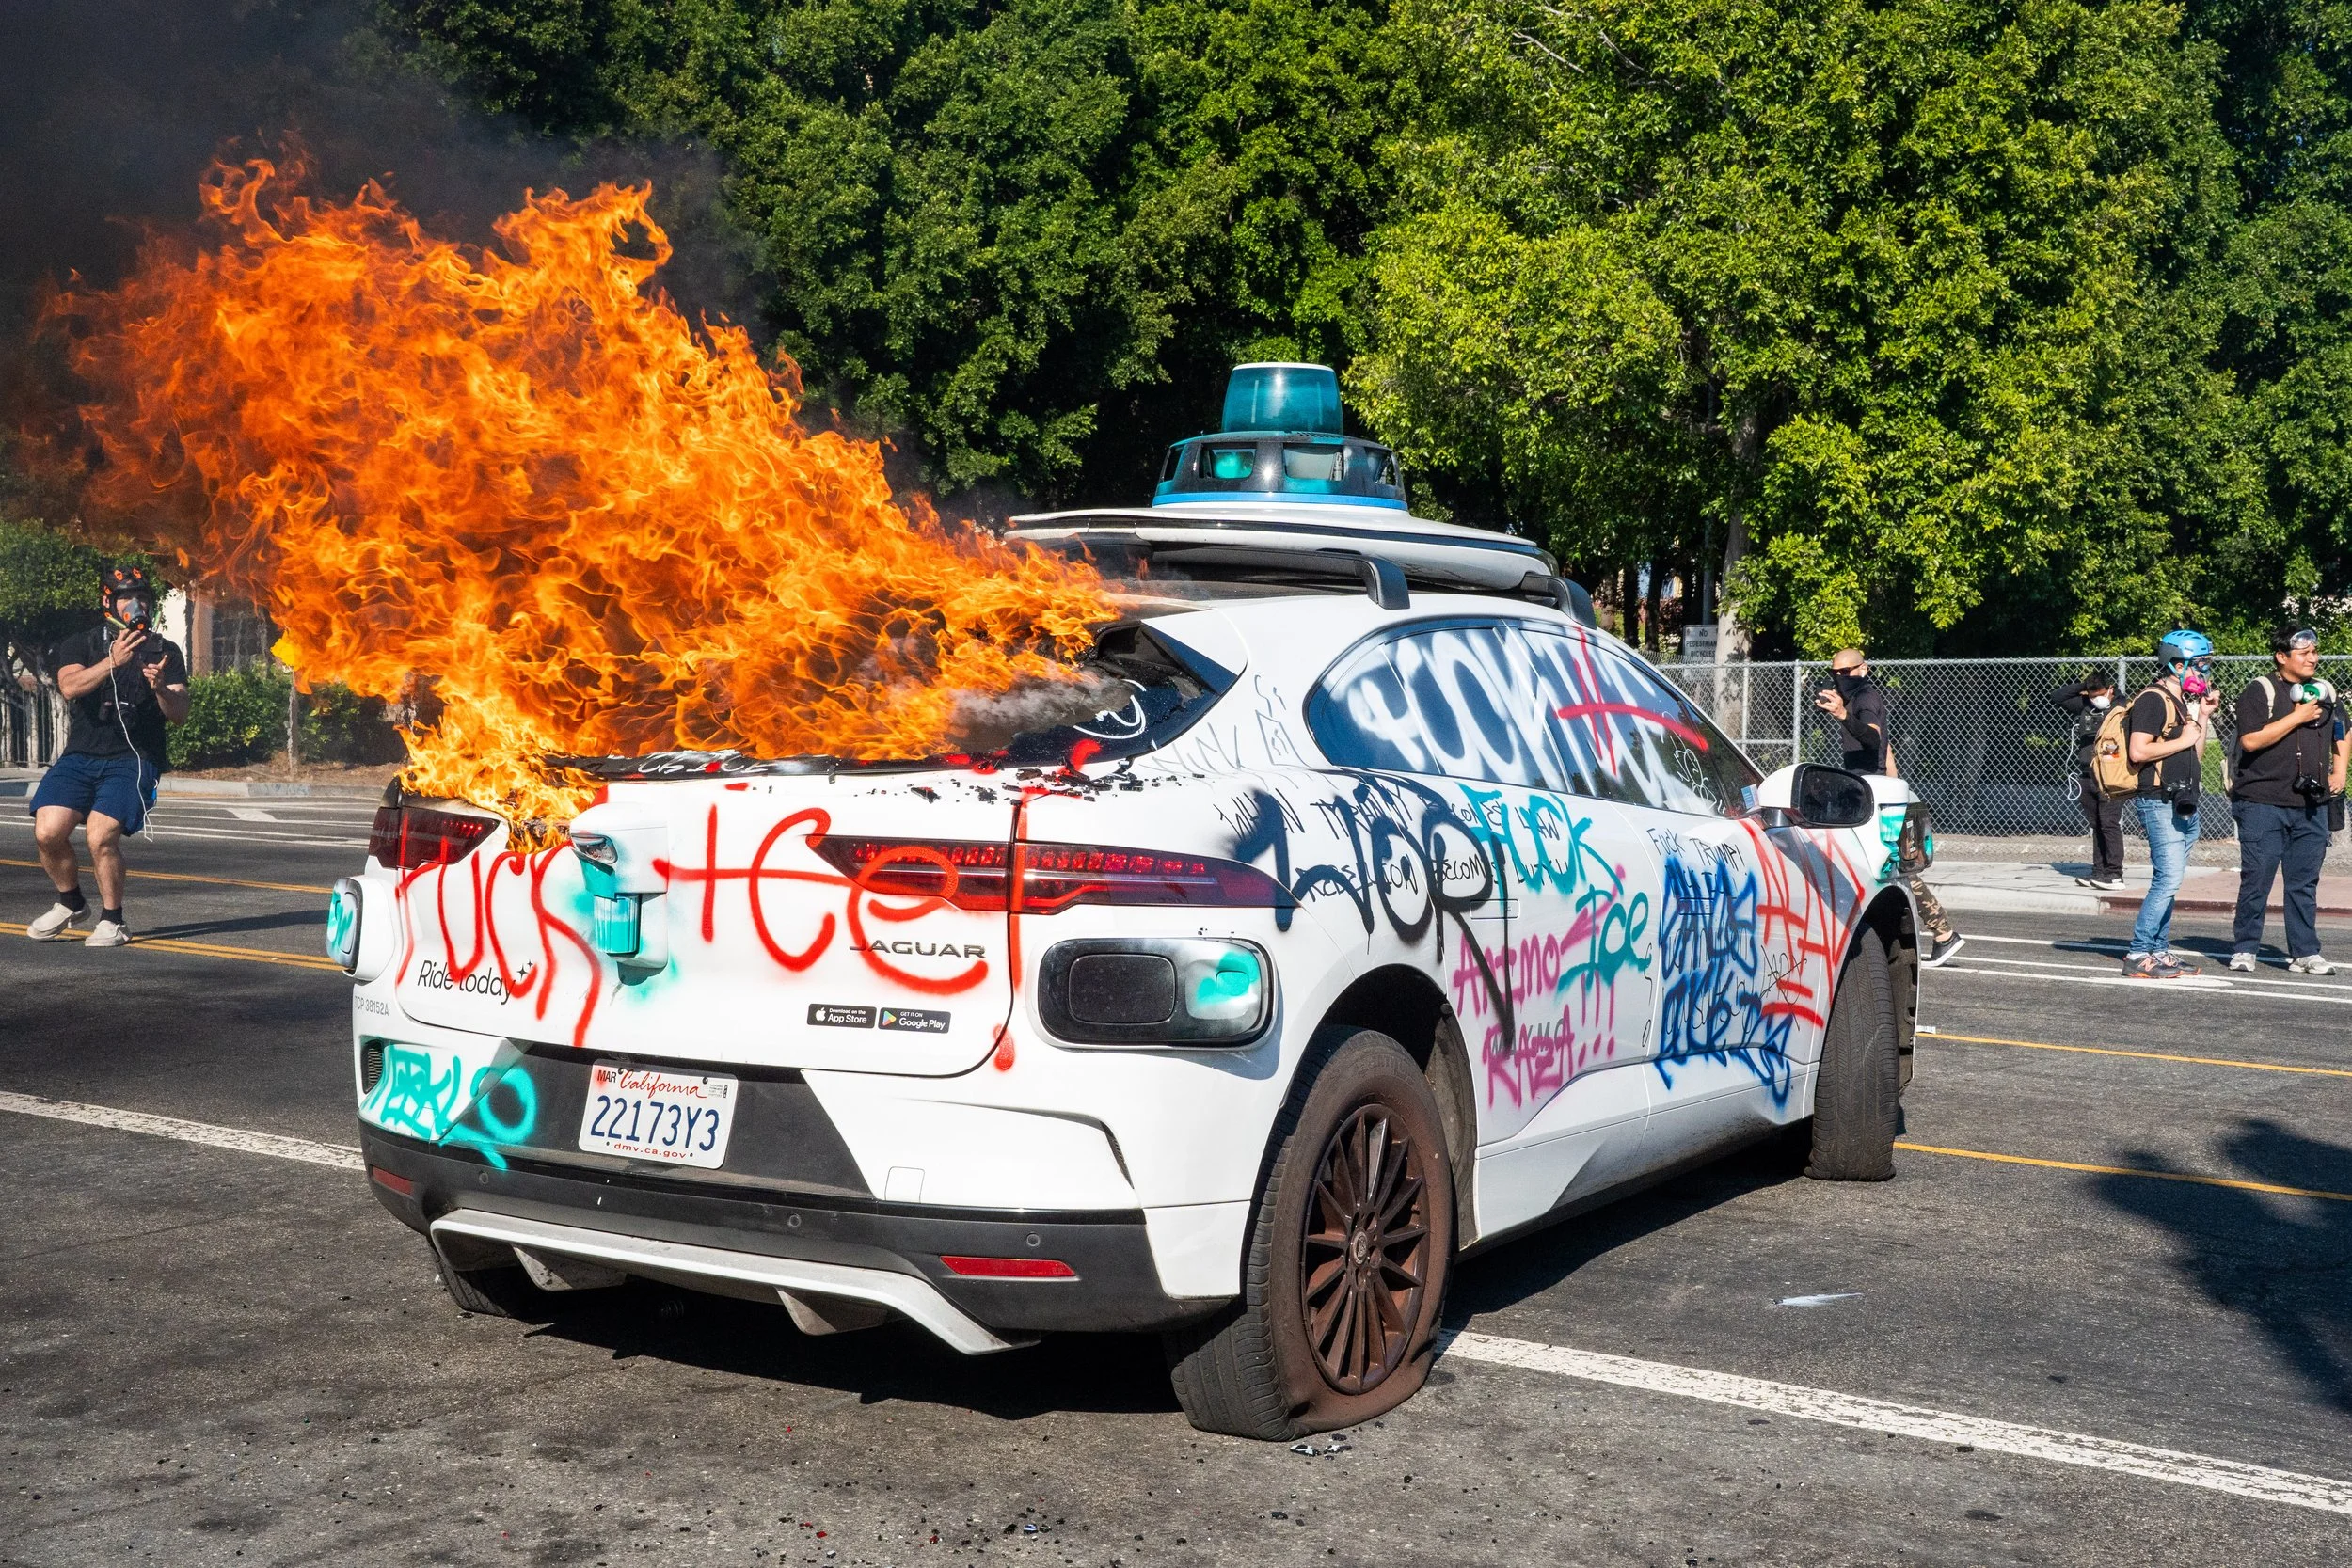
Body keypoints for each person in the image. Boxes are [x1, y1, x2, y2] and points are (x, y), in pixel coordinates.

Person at [25, 564, 188, 948]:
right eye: (127, 598)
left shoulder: (166, 651)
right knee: (47, 831)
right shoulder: (81, 643)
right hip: (82, 754)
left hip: (133, 759)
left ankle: (113, 920)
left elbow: (180, 714)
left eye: (144, 598)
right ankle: (71, 902)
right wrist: (111, 663)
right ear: (109, 603)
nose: (137, 605)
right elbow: (69, 686)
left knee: (101, 836)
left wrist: (162, 688)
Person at [1815, 647, 1963, 964]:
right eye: (1835, 673)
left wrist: (1843, 716)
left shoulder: (1865, 698)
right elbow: (1885, 746)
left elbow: (1872, 737)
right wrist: (1894, 784)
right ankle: (1941, 933)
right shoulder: (1862, 699)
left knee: (1886, 863)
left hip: (1868, 790)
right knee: (1885, 863)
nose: (1841, 678)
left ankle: (1943, 932)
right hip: (1872, 788)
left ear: (1863, 669)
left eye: (1847, 672)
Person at [2225, 627, 2345, 974]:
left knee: (2304, 883)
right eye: (2304, 653)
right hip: (2262, 803)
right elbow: (2250, 741)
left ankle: (2306, 952)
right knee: (2257, 878)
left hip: (2311, 805)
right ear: (2282, 657)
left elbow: (2342, 730)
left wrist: (2339, 771)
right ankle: (2246, 948)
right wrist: (2297, 715)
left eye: (2315, 652)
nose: (2313, 658)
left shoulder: (2325, 692)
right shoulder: (2259, 691)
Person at [2122, 629, 2219, 979]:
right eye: (2199, 665)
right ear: (2176, 665)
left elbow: (2195, 754)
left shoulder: (2182, 703)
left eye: (2206, 665)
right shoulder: (2152, 699)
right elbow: (2138, 751)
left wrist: (2202, 718)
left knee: (2173, 880)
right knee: (2167, 879)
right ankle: (2138, 952)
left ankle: (2159, 950)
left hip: (2183, 800)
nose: (2204, 673)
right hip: (2158, 800)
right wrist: (2187, 736)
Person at [2053, 672, 2125, 888]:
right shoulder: (2086, 705)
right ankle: (2099, 871)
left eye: (2101, 694)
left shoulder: (2122, 707)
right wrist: (2083, 686)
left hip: (2111, 775)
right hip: (2087, 774)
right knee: (2096, 824)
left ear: (2110, 689)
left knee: (2108, 822)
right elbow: (2058, 697)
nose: (2098, 699)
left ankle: (2114, 873)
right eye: (2093, 695)